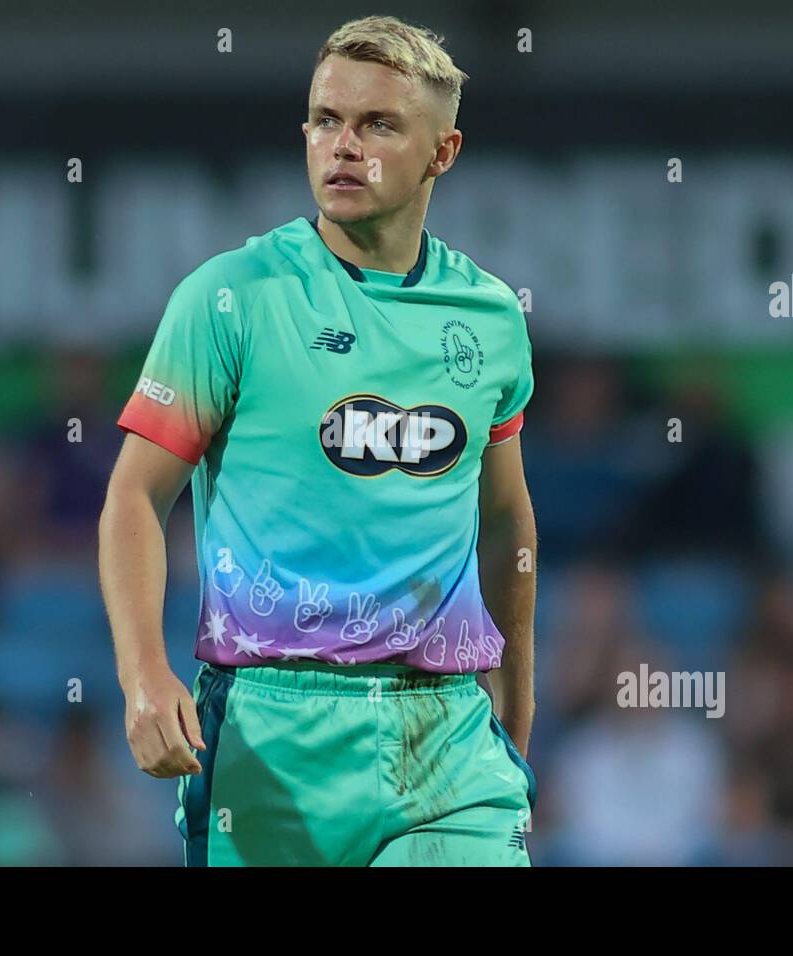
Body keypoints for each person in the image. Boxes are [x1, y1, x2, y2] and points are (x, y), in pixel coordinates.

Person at [99, 15, 538, 866]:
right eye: (325, 119)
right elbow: (132, 498)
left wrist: (515, 711)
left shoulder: (490, 317)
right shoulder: (231, 298)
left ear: (442, 153)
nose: (343, 145)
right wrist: (143, 674)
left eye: (377, 124)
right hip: (269, 735)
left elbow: (508, 521)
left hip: (447, 739)